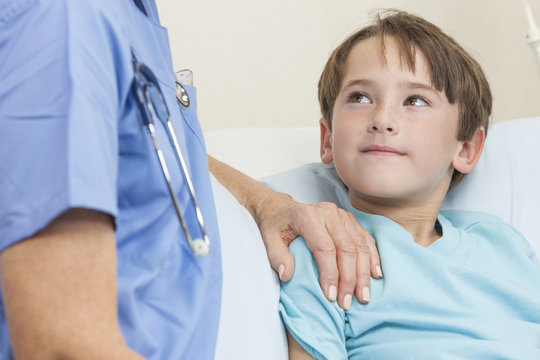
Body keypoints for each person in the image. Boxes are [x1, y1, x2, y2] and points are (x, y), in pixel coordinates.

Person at [0, 0, 383, 359]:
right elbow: (63, 345)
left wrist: (263, 202)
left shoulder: (128, 15)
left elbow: (156, 143)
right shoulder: (65, 18)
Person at [278, 9, 540, 359]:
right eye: (360, 97)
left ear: (465, 149)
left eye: (416, 101)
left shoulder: (503, 243)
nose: (382, 119)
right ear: (327, 139)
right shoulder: (321, 252)